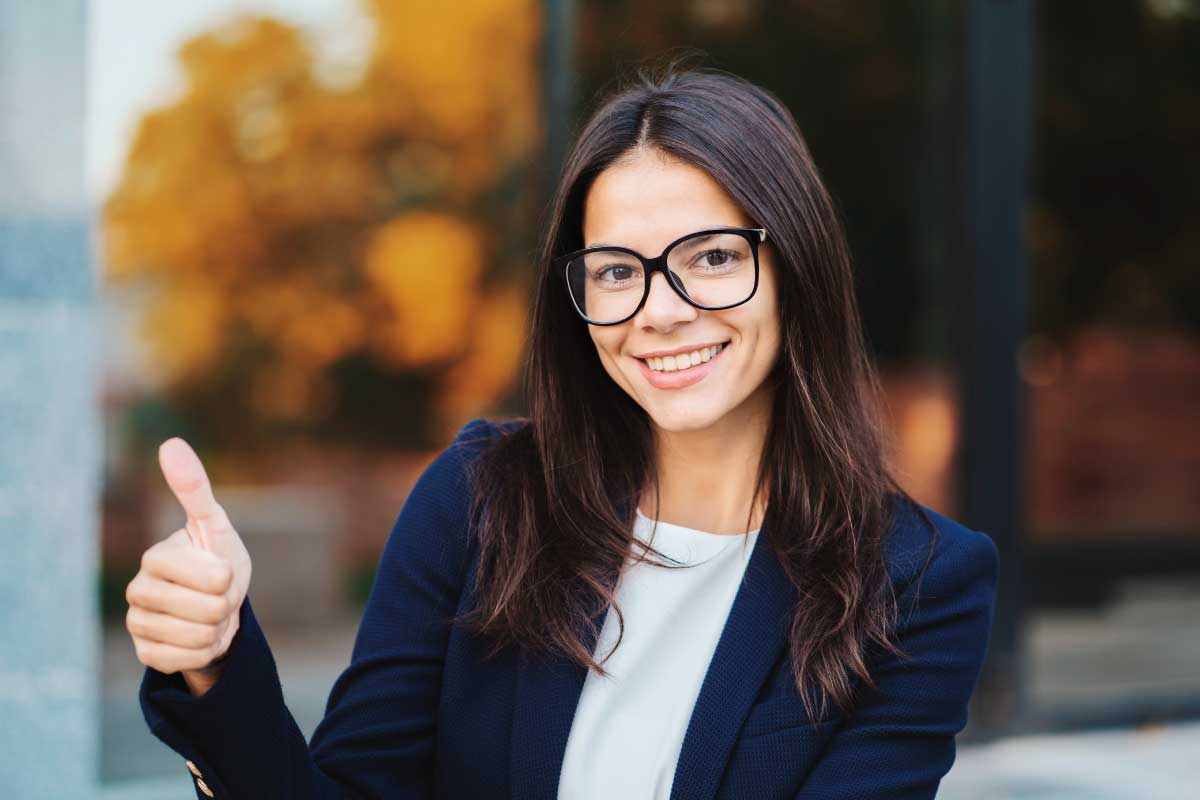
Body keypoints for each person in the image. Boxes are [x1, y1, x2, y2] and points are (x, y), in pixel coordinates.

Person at [126, 63, 999, 800]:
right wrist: (213, 662)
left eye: (713, 257)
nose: (660, 311)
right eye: (618, 271)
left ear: (793, 266)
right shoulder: (482, 498)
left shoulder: (921, 583)